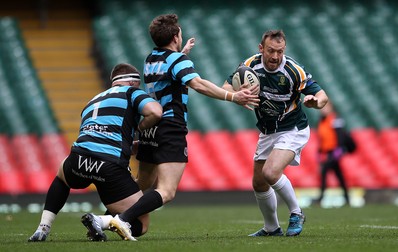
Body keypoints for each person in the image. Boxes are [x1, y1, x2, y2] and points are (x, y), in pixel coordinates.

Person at [92, 13, 260, 241]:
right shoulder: (178, 61)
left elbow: (167, 73)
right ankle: (118, 220)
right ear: (175, 36)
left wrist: (181, 55)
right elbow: (198, 84)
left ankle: (99, 222)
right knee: (167, 191)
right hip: (171, 126)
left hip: (151, 128)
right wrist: (234, 96)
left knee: (143, 183)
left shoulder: (151, 59)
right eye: (179, 31)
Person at [28, 63, 163, 242]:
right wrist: (140, 127)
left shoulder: (93, 100)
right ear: (131, 82)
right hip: (109, 167)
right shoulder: (131, 92)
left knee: (62, 176)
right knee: (140, 223)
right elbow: (155, 112)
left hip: (78, 158)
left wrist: (128, 145)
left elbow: (97, 138)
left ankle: (42, 228)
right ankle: (100, 221)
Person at [222, 30, 328, 237]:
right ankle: (272, 228)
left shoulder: (293, 70)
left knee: (270, 173)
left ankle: (297, 213)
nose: (275, 56)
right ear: (261, 48)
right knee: (259, 182)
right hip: (268, 132)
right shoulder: (250, 65)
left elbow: (322, 95)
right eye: (271, 50)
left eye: (280, 51)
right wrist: (237, 94)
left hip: (293, 129)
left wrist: (316, 103)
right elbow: (226, 86)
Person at [314, 100, 350, 206]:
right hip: (326, 152)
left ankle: (321, 198)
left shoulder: (335, 119)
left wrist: (339, 149)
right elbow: (322, 139)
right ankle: (347, 198)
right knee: (338, 175)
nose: (323, 110)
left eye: (326, 107)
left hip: (334, 152)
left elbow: (340, 135)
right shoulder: (321, 121)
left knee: (325, 172)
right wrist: (319, 152)